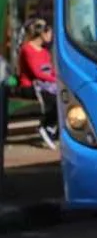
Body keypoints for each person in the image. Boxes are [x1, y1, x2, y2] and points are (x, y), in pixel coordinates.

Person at [18, 18, 58, 150]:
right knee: (54, 99)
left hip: (46, 85)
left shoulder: (45, 51)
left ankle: (50, 127)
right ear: (42, 33)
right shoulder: (27, 49)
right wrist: (55, 80)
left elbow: (50, 71)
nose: (51, 37)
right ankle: (45, 126)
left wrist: (57, 79)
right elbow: (37, 73)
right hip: (30, 86)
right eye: (49, 33)